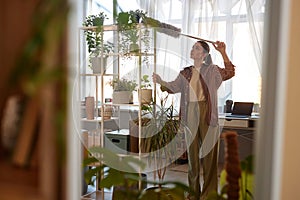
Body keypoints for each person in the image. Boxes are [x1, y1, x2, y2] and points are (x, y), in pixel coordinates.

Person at [152, 40, 235, 200]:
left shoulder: (212, 71)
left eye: (196, 48)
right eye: (193, 47)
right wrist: (161, 81)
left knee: (210, 156)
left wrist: (222, 51)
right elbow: (172, 88)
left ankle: (209, 194)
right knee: (193, 156)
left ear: (203, 54)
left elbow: (230, 72)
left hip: (207, 112)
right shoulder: (186, 73)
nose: (192, 50)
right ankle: (193, 193)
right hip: (189, 111)